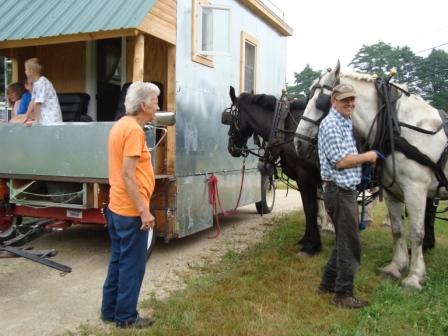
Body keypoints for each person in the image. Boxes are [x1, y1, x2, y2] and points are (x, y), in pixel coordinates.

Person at [101, 81, 159, 329]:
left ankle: (109, 311)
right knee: (132, 266)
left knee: (118, 261)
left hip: (117, 208)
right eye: (155, 101)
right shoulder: (134, 131)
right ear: (144, 105)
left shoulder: (120, 126)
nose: (158, 105)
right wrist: (143, 211)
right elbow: (128, 174)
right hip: (131, 211)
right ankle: (126, 317)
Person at [317, 83, 378, 309]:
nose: (350, 103)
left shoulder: (345, 121)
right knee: (351, 245)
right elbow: (341, 161)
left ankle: (327, 284)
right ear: (334, 101)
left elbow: (346, 155)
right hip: (339, 193)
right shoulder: (332, 124)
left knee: (343, 241)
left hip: (345, 191)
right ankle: (343, 295)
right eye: (344, 100)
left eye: (352, 99)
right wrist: (368, 157)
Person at [23, 58, 62, 125]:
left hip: (51, 118)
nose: (25, 71)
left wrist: (37, 120)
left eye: (26, 69)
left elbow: (37, 103)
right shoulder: (36, 84)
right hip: (45, 116)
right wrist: (26, 116)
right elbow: (32, 101)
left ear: (31, 71)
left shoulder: (42, 82)